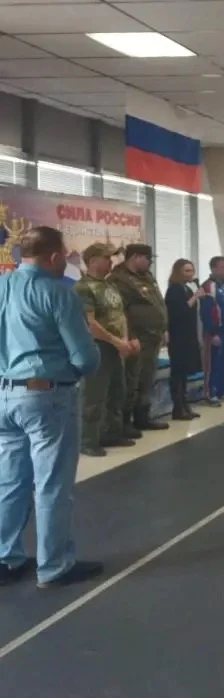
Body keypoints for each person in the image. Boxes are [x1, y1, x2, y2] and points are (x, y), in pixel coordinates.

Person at [0, 226, 102, 588]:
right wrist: (77, 370)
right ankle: (54, 566)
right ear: (55, 256)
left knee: (10, 481)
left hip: (5, 395)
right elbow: (84, 357)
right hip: (47, 397)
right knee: (52, 483)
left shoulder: (2, 286)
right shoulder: (58, 293)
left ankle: (5, 558)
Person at [76, 243, 137, 457]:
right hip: (98, 347)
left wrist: (125, 340)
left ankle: (112, 432)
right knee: (95, 395)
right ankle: (88, 440)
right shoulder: (84, 287)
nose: (111, 262)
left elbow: (121, 314)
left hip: (116, 346)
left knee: (116, 391)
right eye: (106, 258)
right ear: (93, 261)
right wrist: (116, 342)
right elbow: (90, 323)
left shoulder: (110, 285)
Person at [108, 243, 169, 436]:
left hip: (153, 336)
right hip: (137, 338)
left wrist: (164, 328)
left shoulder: (147, 276)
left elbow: (157, 303)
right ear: (135, 257)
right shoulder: (119, 279)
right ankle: (125, 422)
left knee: (146, 379)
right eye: (147, 259)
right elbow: (121, 312)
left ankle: (143, 417)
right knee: (131, 380)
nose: (150, 263)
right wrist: (131, 336)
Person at [165, 259, 204, 420]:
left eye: (192, 271)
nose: (190, 274)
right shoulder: (174, 290)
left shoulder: (187, 288)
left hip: (189, 334)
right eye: (186, 271)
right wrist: (195, 297)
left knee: (184, 373)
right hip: (178, 336)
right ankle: (178, 406)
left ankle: (185, 403)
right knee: (177, 371)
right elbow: (178, 311)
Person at [200, 255, 224, 406]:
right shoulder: (209, 286)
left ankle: (223, 390)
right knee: (213, 363)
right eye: (223, 267)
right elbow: (207, 311)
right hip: (216, 332)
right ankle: (211, 393)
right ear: (214, 268)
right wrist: (213, 332)